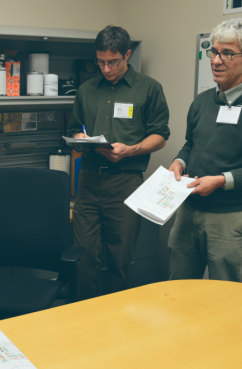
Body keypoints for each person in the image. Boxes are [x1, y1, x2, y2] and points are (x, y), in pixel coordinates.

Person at [67, 25, 170, 301]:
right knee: (83, 259)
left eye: (113, 62)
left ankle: (114, 324)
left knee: (119, 258)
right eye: (100, 62)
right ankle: (84, 317)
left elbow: (160, 136)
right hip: (88, 181)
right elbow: (76, 128)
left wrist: (131, 149)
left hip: (125, 183)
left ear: (127, 54)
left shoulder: (149, 88)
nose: (106, 69)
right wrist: (80, 137)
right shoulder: (86, 90)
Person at [168, 18, 242, 282]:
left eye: (227, 53)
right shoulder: (202, 101)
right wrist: (179, 161)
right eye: (214, 52)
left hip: (231, 218)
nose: (216, 60)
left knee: (227, 301)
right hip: (188, 212)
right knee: (178, 290)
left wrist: (221, 181)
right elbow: (191, 143)